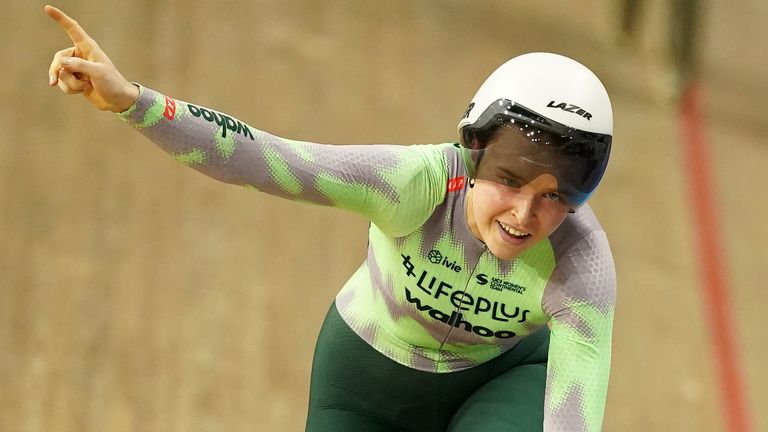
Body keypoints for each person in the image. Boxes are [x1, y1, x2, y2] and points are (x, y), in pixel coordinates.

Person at [45, 4, 616, 431]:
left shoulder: (583, 264)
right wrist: (132, 101)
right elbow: (263, 159)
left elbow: (575, 415)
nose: (524, 215)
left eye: (556, 196)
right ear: (472, 152)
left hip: (500, 381)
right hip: (367, 378)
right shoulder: (415, 184)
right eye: (510, 182)